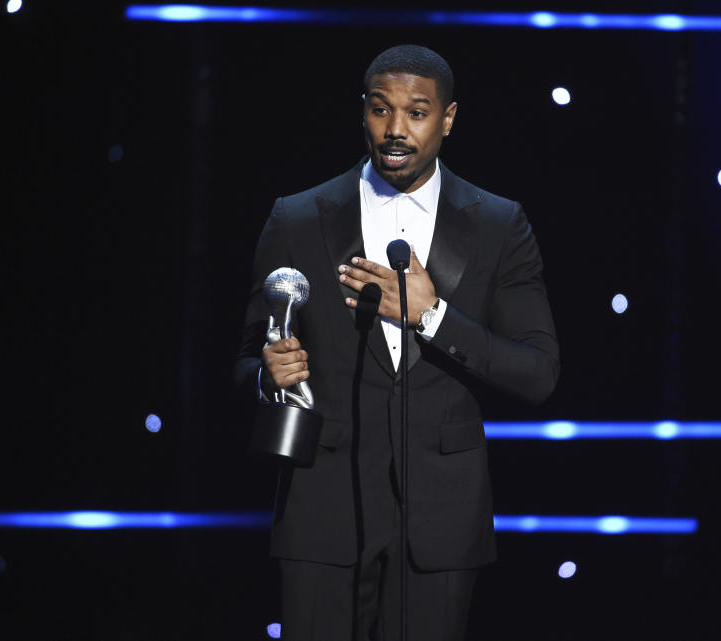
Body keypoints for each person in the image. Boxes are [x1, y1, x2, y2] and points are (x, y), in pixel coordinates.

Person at [235, 44, 559, 641]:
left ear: (449, 118)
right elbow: (248, 358)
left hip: (440, 518)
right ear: (363, 112)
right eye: (382, 110)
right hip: (322, 508)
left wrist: (432, 315)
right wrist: (267, 374)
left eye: (416, 113)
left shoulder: (497, 223)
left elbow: (537, 373)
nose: (396, 130)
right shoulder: (298, 217)